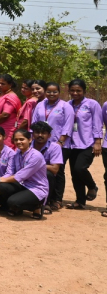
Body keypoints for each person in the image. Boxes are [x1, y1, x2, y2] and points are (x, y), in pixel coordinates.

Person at [0, 129, 47, 219]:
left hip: (35, 187)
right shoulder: (16, 154)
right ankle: (15, 207)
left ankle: (37, 205)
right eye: (16, 140)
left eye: (22, 139)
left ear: (30, 140)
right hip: (21, 185)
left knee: (12, 202)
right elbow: (10, 172)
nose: (18, 142)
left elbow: (20, 176)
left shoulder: (36, 156)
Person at [63, 79, 103, 210]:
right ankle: (80, 201)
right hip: (72, 143)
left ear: (84, 91)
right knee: (74, 174)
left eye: (78, 90)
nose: (75, 93)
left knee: (80, 168)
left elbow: (97, 123)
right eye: (72, 90)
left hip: (87, 143)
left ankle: (92, 186)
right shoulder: (67, 105)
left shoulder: (92, 104)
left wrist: (97, 141)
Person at [30, 121, 64, 212]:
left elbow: (55, 169)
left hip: (44, 177)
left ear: (49, 135)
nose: (40, 135)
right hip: (28, 175)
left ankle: (46, 203)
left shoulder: (55, 147)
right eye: (37, 132)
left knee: (49, 174)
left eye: (43, 133)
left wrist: (35, 166)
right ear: (33, 134)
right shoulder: (27, 145)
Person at [0, 74, 22, 147]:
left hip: (6, 129)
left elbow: (5, 114)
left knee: (5, 149)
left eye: (3, 84)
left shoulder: (11, 97)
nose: (0, 85)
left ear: (10, 85)